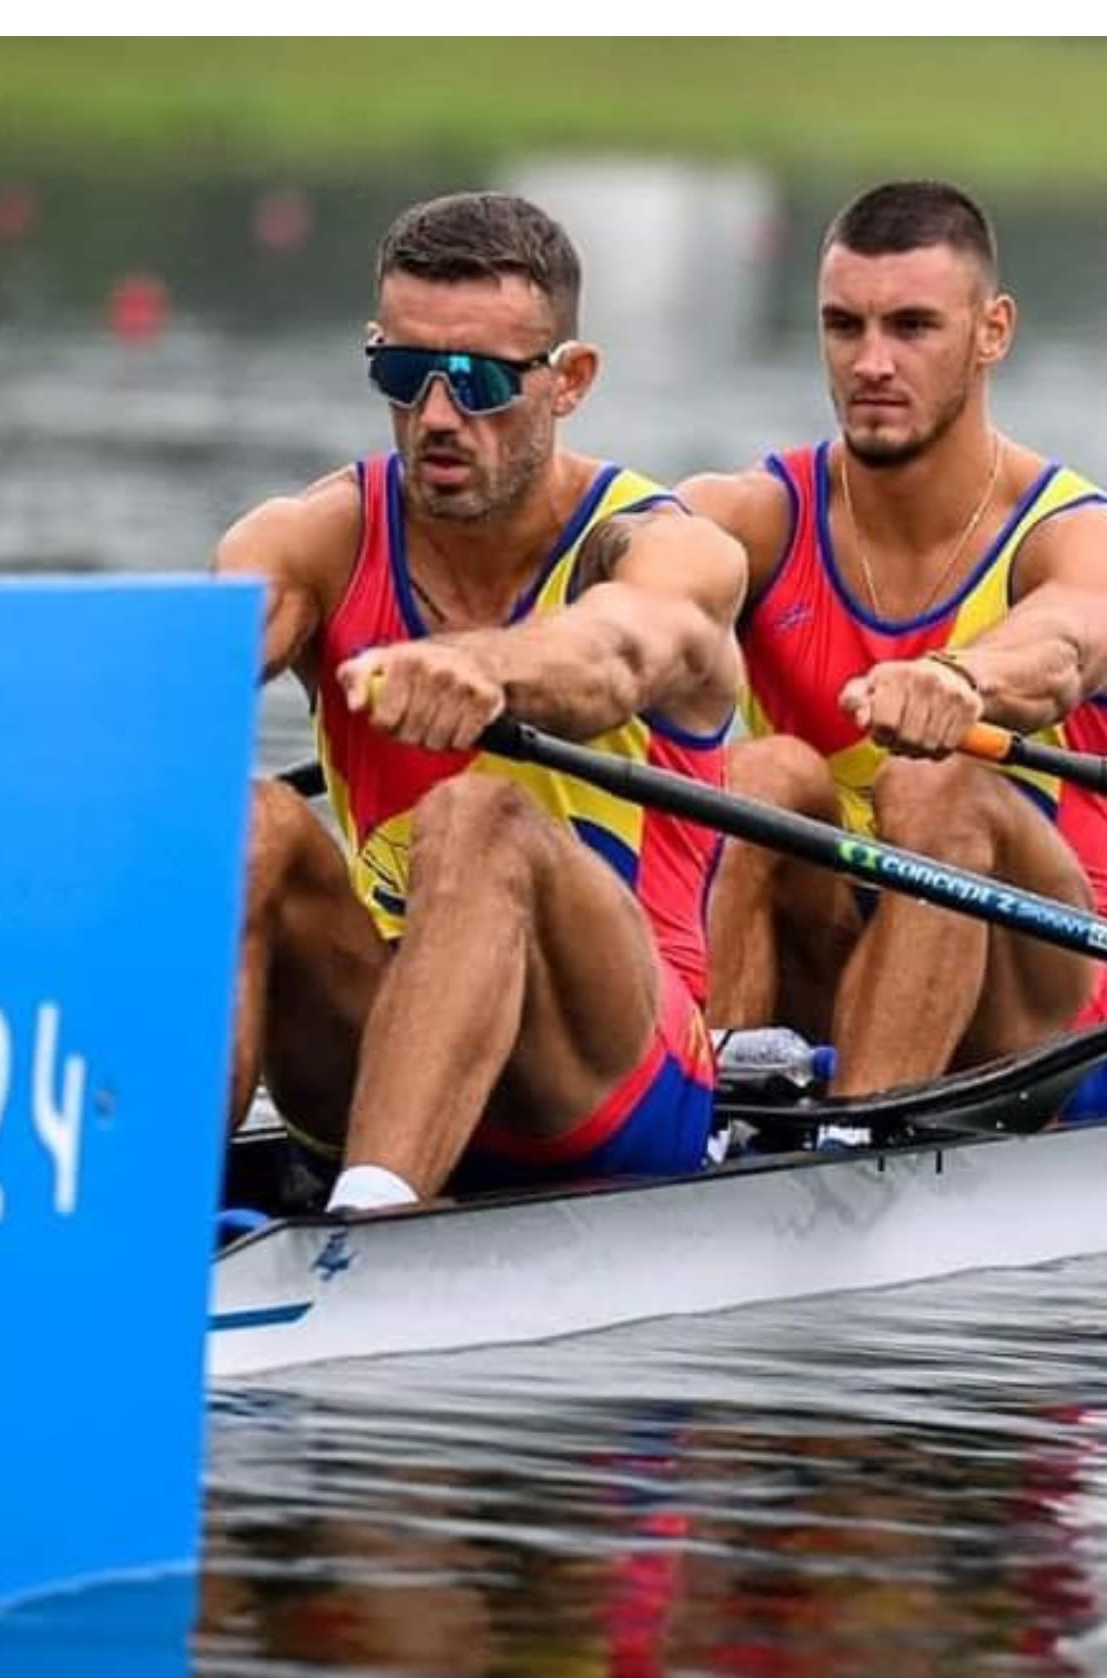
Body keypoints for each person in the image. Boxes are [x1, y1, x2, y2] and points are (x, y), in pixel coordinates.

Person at [220, 192, 748, 1210]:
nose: (437, 418)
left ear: (571, 381)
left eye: (479, 382)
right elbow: (195, 668)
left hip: (617, 1081)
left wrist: (487, 667)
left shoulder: (664, 546)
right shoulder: (312, 539)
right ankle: (134, 1216)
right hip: (381, 1037)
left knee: (476, 816)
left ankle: (370, 1224)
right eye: (404, 374)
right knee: (253, 819)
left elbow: (617, 653)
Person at [680, 180, 1107, 1098]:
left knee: (935, 780)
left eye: (911, 327)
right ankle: (711, 1103)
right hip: (833, 963)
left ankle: (859, 1130)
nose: (870, 363)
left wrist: (961, 680)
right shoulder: (746, 516)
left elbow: (1068, 644)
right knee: (766, 776)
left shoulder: (1090, 539)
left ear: (992, 332)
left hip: (1048, 1012)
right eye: (843, 326)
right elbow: (629, 590)